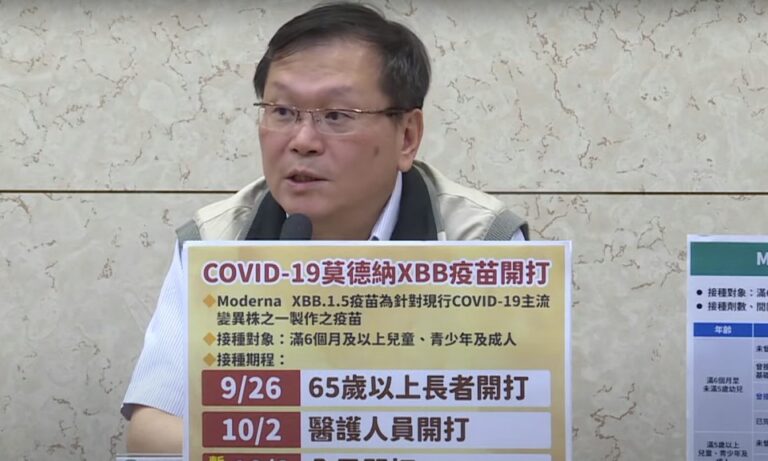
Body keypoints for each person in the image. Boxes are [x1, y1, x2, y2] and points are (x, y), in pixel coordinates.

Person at [123, 1, 529, 453]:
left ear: (407, 136)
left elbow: (513, 433)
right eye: (282, 111)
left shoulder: (484, 243)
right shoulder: (215, 242)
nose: (302, 141)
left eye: (336, 115)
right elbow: (151, 432)